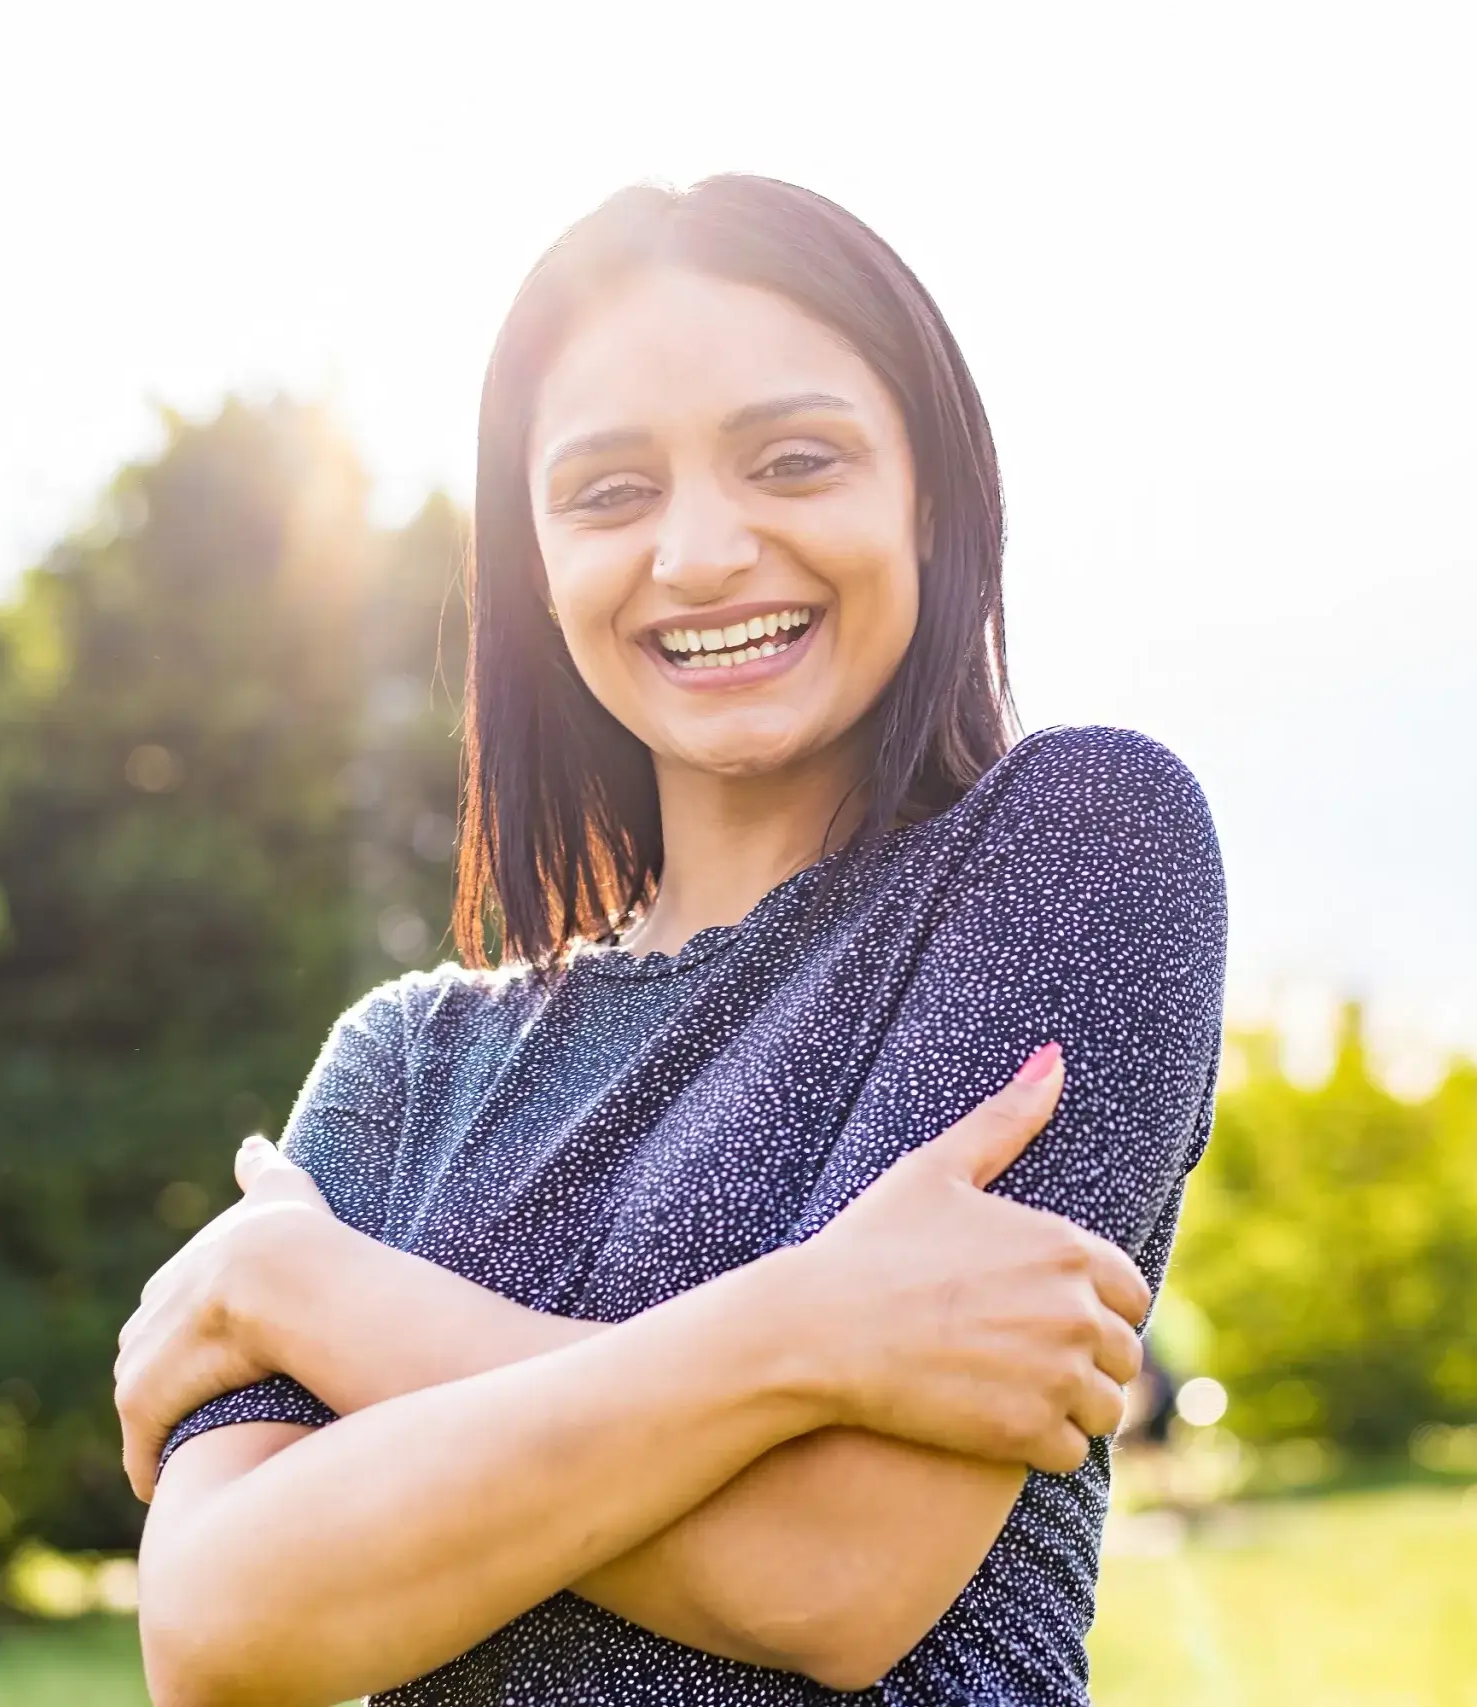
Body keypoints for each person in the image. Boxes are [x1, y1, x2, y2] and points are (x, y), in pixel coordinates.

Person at [112, 174, 1229, 1707]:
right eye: (609, 490)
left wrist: (311, 1295)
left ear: (932, 493)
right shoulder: (403, 1064)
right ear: (535, 563)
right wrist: (809, 1329)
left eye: (793, 459)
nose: (700, 553)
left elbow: (835, 1571)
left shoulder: (1082, 838)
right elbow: (221, 1633)